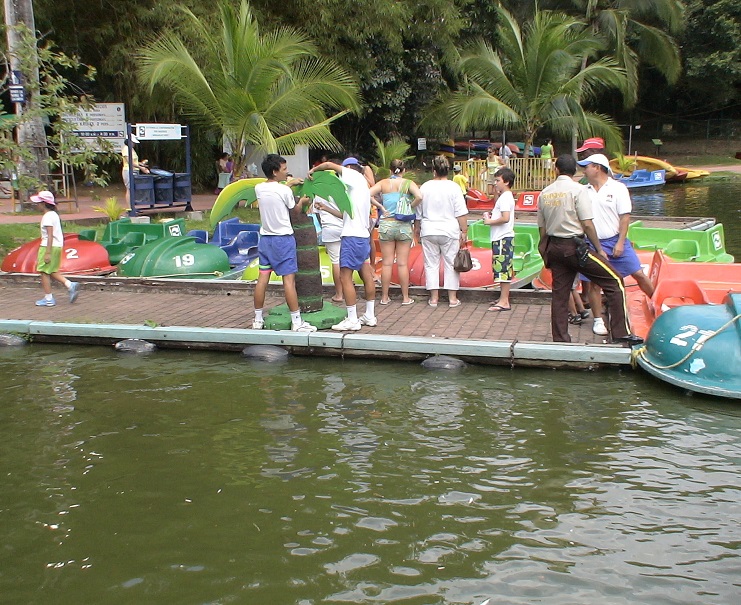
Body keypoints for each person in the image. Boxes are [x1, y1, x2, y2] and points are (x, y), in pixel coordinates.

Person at [537, 155, 641, 345]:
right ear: (574, 171)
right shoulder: (578, 190)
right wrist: (599, 248)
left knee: (560, 294)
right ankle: (620, 332)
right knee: (614, 280)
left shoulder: (545, 193)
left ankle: (560, 338)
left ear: (556, 170)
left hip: (554, 246)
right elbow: (587, 224)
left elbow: (542, 229)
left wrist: (544, 251)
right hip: (575, 246)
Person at [576, 153, 655, 336]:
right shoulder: (584, 191)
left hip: (615, 240)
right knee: (594, 283)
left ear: (597, 167)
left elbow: (625, 217)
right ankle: (598, 320)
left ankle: (657, 302)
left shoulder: (618, 188)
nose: (583, 170)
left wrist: (620, 242)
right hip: (592, 242)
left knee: (638, 274)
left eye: (586, 166)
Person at [309, 157, 377, 331]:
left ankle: (352, 319)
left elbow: (329, 165)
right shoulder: (361, 188)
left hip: (351, 238)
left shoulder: (352, 177)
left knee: (345, 277)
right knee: (366, 275)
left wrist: (313, 171)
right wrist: (326, 209)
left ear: (348, 169)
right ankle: (369, 315)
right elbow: (346, 215)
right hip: (362, 236)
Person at [252, 154, 317, 333]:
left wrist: (289, 183)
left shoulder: (258, 188)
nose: (287, 172)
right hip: (283, 239)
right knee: (289, 281)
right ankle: (297, 322)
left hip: (265, 239)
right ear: (275, 172)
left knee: (262, 279)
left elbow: (275, 191)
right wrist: (303, 201)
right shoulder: (285, 191)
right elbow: (294, 210)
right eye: (284, 169)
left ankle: (257, 319)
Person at [368, 159, 422, 306]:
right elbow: (420, 196)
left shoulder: (383, 183)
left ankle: (385, 297)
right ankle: (405, 297)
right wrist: (410, 206)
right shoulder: (408, 183)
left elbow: (366, 194)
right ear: (403, 170)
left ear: (390, 170)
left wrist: (380, 206)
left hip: (386, 224)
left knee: (386, 263)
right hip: (403, 225)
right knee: (402, 264)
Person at [416, 155, 469, 308]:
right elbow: (461, 212)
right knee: (451, 263)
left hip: (429, 229)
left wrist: (417, 229)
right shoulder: (454, 187)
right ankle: (452, 298)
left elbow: (418, 212)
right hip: (449, 230)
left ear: (434, 171)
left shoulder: (425, 187)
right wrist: (464, 231)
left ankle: (434, 298)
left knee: (431, 264)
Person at [30, 191, 80, 307]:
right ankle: (69, 284)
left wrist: (47, 252)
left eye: (39, 203)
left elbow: (50, 235)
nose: (36, 205)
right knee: (52, 270)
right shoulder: (54, 215)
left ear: (44, 203)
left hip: (48, 246)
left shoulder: (47, 217)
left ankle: (48, 298)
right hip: (57, 246)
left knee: (43, 271)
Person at [482, 167, 516, 312]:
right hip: (501, 237)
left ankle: (504, 301)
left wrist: (489, 222)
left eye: (498, 180)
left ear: (506, 182)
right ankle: (502, 298)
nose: (495, 183)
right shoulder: (505, 197)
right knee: (501, 268)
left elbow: (505, 218)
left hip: (503, 237)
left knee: (503, 269)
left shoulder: (506, 197)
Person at [312, 194, 344, 303]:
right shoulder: (340, 188)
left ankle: (339, 294)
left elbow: (317, 215)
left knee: (336, 261)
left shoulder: (318, 194)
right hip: (345, 227)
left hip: (329, 228)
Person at [121, 134, 149, 206]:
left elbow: (134, 161)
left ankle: (133, 206)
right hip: (128, 171)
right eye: (133, 142)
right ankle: (130, 208)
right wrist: (141, 168)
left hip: (135, 170)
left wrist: (141, 164)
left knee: (133, 189)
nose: (134, 144)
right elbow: (130, 162)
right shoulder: (126, 149)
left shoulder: (131, 149)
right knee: (129, 189)